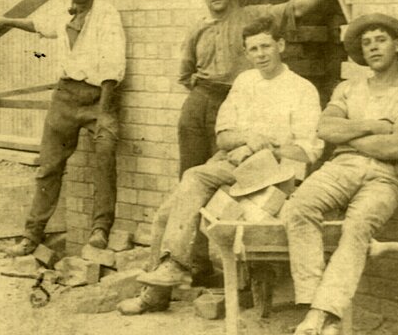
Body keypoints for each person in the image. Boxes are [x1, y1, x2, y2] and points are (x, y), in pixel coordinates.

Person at [119, 16, 322, 315]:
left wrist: (264, 148)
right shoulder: (244, 82)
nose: (260, 55)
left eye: (266, 46)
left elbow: (308, 151)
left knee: (194, 175)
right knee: (164, 215)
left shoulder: (302, 89)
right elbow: (224, 135)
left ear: (281, 45)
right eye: (253, 50)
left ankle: (174, 266)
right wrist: (248, 140)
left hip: (277, 174)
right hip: (234, 164)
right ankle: (156, 294)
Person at [282, 14, 398, 335]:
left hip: (386, 176)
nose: (373, 47)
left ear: (397, 45)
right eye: (366, 42)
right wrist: (377, 126)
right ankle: (320, 314)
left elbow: (396, 147)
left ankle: (315, 319)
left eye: (380, 39)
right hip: (341, 166)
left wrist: (351, 135)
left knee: (358, 227)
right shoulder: (347, 88)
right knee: (299, 206)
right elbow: (325, 129)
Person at [0, 0, 125, 254]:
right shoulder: (64, 13)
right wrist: (7, 21)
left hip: (100, 97)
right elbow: (39, 25)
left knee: (104, 159)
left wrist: (105, 113)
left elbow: (113, 63)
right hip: (65, 97)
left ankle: (100, 229)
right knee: (48, 167)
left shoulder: (107, 14)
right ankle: (32, 235)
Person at [177, 0, 336, 176]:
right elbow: (185, 73)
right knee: (190, 169)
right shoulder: (196, 28)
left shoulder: (253, 16)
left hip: (234, 98)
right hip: (199, 101)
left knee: (229, 169)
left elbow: (292, 10)